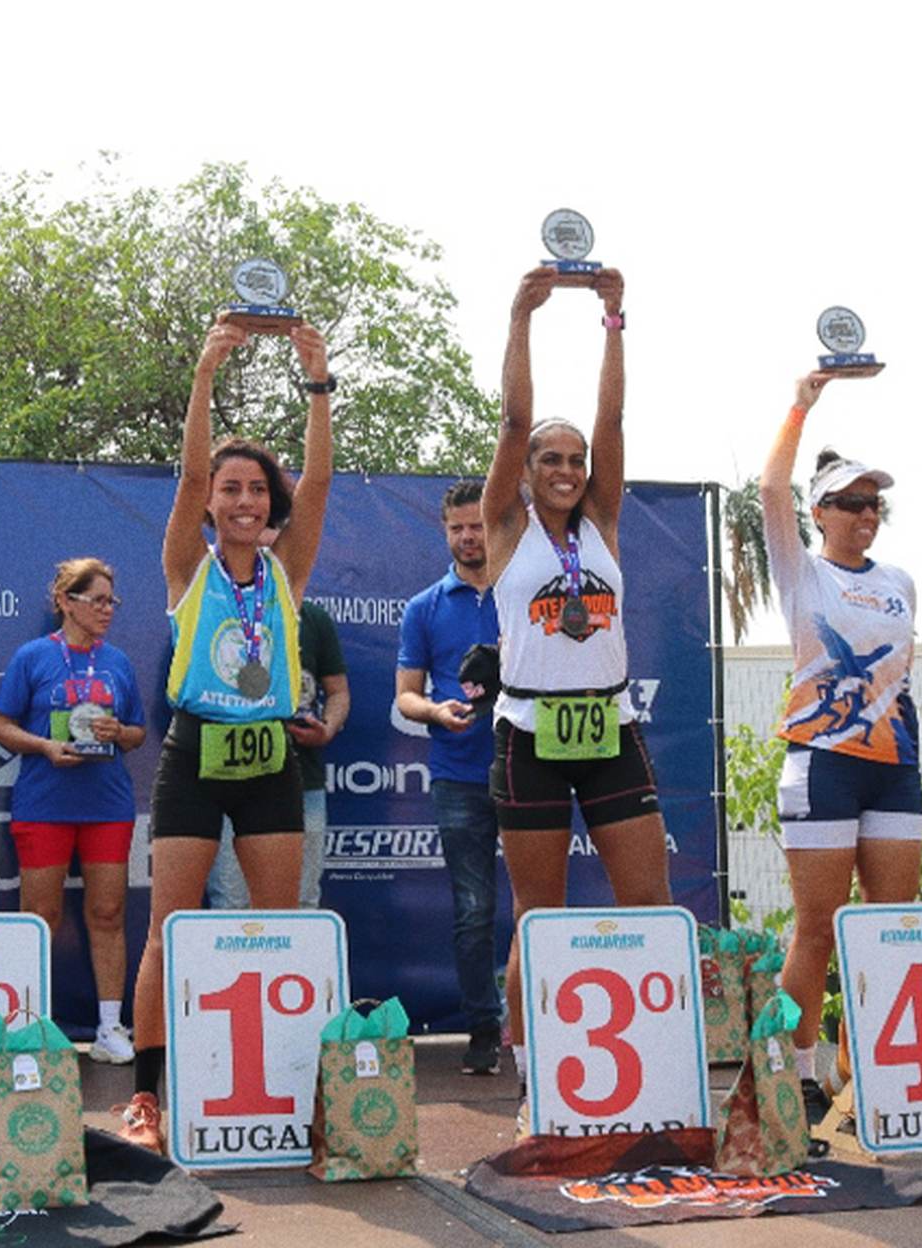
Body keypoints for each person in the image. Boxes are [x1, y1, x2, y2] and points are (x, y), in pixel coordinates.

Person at [113, 316, 334, 1152]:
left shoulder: (288, 570)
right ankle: (146, 1097)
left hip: (270, 759)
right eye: (229, 488)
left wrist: (317, 384)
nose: (244, 501)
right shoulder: (188, 566)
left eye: (257, 491)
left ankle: (282, 1087)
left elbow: (318, 482)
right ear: (209, 500)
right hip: (195, 756)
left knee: (276, 929)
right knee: (167, 932)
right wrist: (205, 373)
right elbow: (186, 473)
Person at [481, 266, 669, 1104]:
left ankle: (652, 1070)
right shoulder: (504, 525)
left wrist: (613, 319)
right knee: (540, 915)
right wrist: (521, 316)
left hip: (608, 729)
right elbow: (513, 419)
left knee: (648, 901)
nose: (565, 468)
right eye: (549, 459)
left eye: (575, 460)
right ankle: (533, 1079)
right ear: (524, 471)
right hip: (528, 734)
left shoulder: (602, 522)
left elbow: (613, 419)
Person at [759, 373, 921, 1121]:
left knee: (887, 928)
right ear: (819, 512)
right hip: (821, 761)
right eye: (850, 503)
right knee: (818, 928)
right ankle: (794, 1072)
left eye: (873, 503)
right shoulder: (802, 572)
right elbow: (770, 489)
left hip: (893, 767)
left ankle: (864, 1073)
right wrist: (802, 402)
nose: (865, 514)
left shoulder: (899, 582)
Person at [0, 558, 148, 1065]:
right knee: (41, 917)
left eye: (111, 601)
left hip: (107, 804)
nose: (107, 610)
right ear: (65, 602)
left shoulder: (118, 662)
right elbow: (0, 723)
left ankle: (109, 1027)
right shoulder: (34, 657)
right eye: (97, 600)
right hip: (45, 803)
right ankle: (30, 1027)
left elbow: (138, 732)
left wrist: (119, 733)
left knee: (108, 913)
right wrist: (43, 746)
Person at [395, 479, 505, 1075]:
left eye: (477, 525)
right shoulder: (424, 607)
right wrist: (437, 712)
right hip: (458, 774)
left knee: (541, 904)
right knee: (473, 908)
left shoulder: (524, 593)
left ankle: (544, 1029)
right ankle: (484, 1029)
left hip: (529, 769)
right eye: (458, 528)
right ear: (445, 532)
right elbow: (406, 696)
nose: (468, 537)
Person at [205, 596, 348, 910]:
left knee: (302, 904)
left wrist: (327, 728)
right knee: (232, 904)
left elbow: (338, 692)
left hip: (302, 780)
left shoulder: (313, 618)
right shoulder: (216, 611)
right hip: (230, 779)